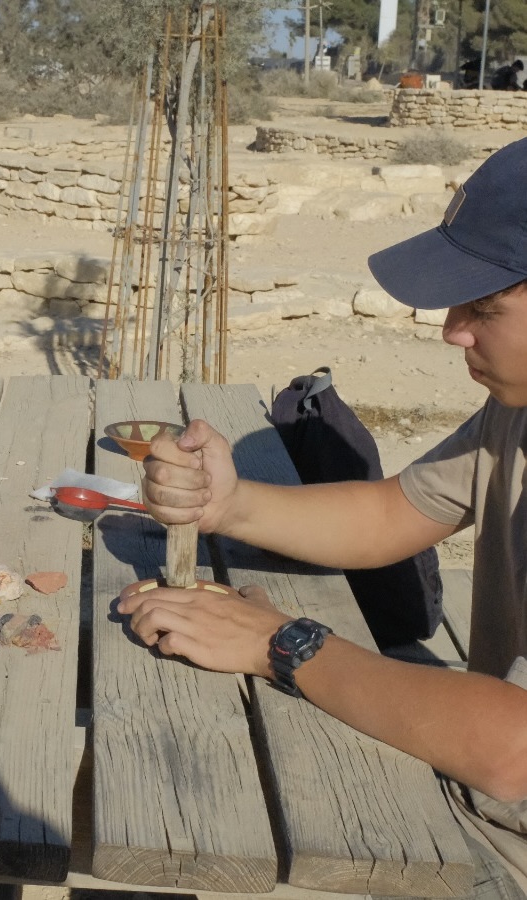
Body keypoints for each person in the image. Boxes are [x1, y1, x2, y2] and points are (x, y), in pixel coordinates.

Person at [118, 135, 527, 892]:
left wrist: (281, 643)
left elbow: (513, 752)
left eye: (485, 307)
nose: (453, 330)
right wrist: (229, 503)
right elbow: (393, 513)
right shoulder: (517, 409)